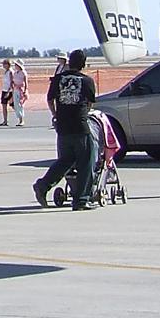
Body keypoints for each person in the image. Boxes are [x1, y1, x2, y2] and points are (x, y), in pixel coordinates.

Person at [33, 50, 99, 211]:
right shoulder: (87, 81)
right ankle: (81, 200)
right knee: (86, 162)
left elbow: (50, 100)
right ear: (83, 64)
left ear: (69, 62)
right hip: (80, 126)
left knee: (65, 161)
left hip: (63, 127)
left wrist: (56, 115)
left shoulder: (58, 79)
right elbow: (90, 103)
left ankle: (43, 185)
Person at [0, 58, 16, 126]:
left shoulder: (11, 72)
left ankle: (20, 117)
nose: (3, 65)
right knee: (4, 105)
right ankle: (5, 120)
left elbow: (12, 82)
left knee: (13, 105)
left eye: (4, 64)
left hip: (9, 91)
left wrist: (9, 91)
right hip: (4, 90)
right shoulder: (5, 72)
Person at [12, 59, 29, 127]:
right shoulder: (15, 73)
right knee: (16, 104)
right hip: (15, 89)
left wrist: (25, 90)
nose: (15, 66)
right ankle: (19, 118)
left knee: (20, 104)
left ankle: (21, 119)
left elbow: (26, 82)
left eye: (16, 65)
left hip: (21, 90)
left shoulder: (23, 73)